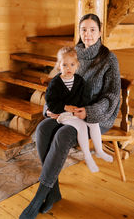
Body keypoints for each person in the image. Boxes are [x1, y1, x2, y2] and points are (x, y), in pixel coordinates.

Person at [19, 13, 121, 219]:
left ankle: (39, 196)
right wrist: (48, 108)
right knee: (42, 128)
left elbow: (112, 96)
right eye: (84, 29)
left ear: (100, 32)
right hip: (69, 112)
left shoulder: (109, 58)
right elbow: (56, 84)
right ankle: (53, 191)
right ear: (79, 31)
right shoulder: (73, 54)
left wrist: (90, 112)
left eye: (93, 29)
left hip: (96, 117)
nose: (88, 34)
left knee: (63, 134)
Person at [45, 46, 113, 174]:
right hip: (63, 114)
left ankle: (99, 150)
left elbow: (85, 98)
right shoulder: (55, 83)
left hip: (77, 111)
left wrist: (83, 109)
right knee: (81, 127)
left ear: (77, 66)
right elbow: (51, 101)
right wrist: (65, 107)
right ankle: (87, 157)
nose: (68, 68)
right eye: (64, 65)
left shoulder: (80, 81)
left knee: (93, 122)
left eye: (72, 64)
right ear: (59, 66)